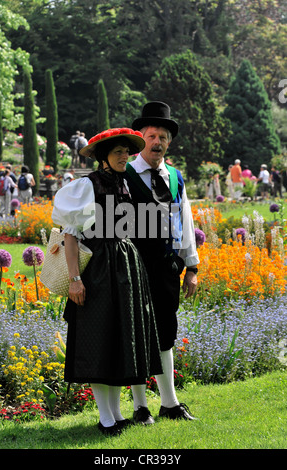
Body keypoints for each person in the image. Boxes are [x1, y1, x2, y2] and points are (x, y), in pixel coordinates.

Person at [52, 127, 163, 436]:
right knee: (100, 340)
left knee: (116, 340)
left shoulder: (123, 183)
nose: (124, 156)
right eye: (117, 152)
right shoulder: (86, 186)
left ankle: (115, 414)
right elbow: (70, 237)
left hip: (125, 267)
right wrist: (75, 279)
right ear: (103, 157)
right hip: (99, 268)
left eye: (126, 152)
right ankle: (105, 418)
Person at [125, 101, 199, 424]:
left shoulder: (175, 178)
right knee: (136, 333)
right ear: (141, 138)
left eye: (163, 137)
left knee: (166, 332)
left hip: (168, 269)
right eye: (152, 135)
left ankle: (169, 403)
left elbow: (185, 222)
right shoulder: (123, 175)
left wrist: (192, 267)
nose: (157, 142)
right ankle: (140, 407)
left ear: (169, 142)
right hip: (133, 269)